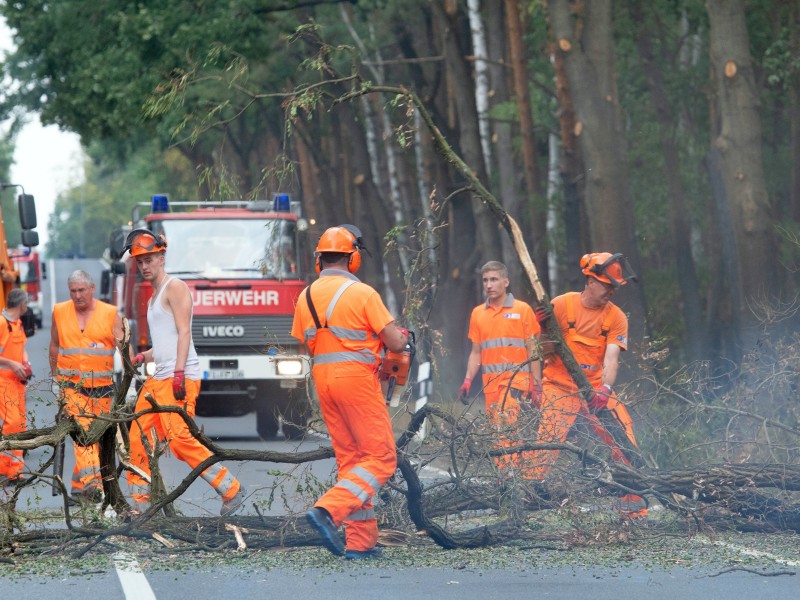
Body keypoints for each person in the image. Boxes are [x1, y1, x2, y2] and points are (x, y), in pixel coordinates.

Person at [292, 224, 408, 560]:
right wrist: (400, 338)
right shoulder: (364, 294)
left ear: (319, 262)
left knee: (353, 461)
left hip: (323, 381)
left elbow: (306, 340)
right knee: (383, 458)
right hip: (356, 379)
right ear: (353, 259)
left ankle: (359, 542)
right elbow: (396, 342)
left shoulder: (305, 296)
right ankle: (328, 510)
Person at [122, 228, 246, 516]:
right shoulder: (153, 299)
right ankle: (141, 508)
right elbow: (163, 344)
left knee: (179, 441)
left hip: (180, 376)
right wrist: (144, 355)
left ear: (162, 257)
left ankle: (231, 488)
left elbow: (184, 333)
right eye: (140, 262)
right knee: (137, 437)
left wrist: (179, 373)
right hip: (158, 378)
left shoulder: (175, 287)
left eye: (149, 259)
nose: (144, 266)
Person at [532, 252, 647, 517]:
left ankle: (633, 505)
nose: (611, 291)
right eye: (607, 285)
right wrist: (544, 329)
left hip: (595, 388)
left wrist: (606, 389)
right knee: (545, 445)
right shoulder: (561, 305)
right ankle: (525, 499)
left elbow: (612, 358)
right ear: (590, 280)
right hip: (558, 386)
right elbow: (545, 351)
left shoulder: (616, 317)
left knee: (625, 439)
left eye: (614, 287)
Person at [458, 261, 541, 479]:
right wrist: (467, 380)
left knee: (507, 430)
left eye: (494, 279)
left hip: (516, 383)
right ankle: (511, 482)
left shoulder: (522, 310)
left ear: (506, 281)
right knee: (499, 434)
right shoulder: (478, 314)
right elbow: (476, 352)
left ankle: (509, 481)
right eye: (485, 280)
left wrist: (537, 384)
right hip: (491, 386)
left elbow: (534, 350)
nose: (489, 285)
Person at [49, 270, 124, 503]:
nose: (78, 295)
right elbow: (54, 346)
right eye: (73, 291)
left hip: (102, 390)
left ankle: (77, 486)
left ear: (92, 289)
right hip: (72, 388)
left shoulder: (110, 314)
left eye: (82, 290)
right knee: (83, 437)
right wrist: (54, 379)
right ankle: (92, 486)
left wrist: (131, 380)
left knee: (98, 440)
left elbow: (124, 348)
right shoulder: (60, 312)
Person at [0, 288, 31, 485]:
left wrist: (26, 363)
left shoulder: (17, 324)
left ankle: (15, 471)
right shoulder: (2, 323)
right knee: (10, 425)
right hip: (3, 381)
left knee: (19, 425)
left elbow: (21, 349)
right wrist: (12, 364)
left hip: (17, 383)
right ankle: (6, 470)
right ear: (22, 304)